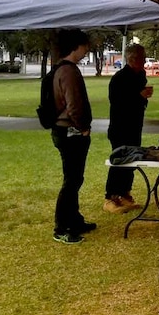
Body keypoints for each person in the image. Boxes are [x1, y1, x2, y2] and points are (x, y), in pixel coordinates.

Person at [51, 29, 96, 245]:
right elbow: (74, 105)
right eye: (84, 45)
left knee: (75, 178)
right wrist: (83, 127)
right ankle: (62, 227)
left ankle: (74, 219)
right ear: (76, 46)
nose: (87, 49)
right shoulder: (68, 71)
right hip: (70, 131)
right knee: (71, 180)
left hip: (64, 130)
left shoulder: (60, 68)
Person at [104, 44, 153, 214]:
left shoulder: (140, 75)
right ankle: (110, 196)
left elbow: (139, 101)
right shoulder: (119, 78)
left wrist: (143, 98)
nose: (144, 61)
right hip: (120, 126)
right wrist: (139, 96)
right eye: (141, 58)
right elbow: (118, 103)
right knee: (119, 160)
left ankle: (125, 193)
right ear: (131, 59)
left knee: (132, 160)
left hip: (135, 125)